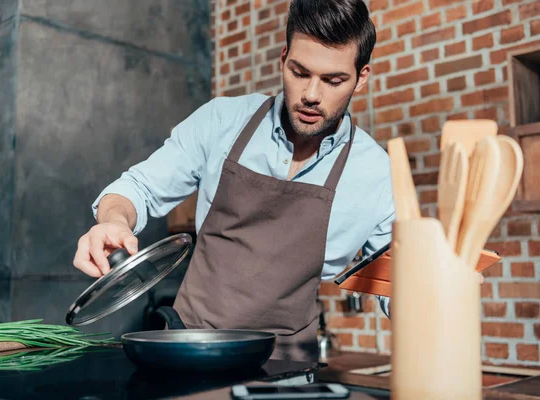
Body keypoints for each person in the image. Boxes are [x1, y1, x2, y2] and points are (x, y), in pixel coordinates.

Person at [74, 0, 393, 362]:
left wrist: (434, 288)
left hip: (288, 369)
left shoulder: (376, 174)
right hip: (188, 350)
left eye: (333, 80)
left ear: (361, 78)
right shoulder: (222, 121)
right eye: (299, 72)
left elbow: (394, 290)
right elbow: (138, 189)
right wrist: (114, 221)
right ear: (283, 57)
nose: (311, 95)